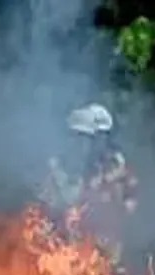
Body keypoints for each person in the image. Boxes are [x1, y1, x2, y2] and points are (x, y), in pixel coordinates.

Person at [37, 103, 139, 264]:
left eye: (87, 138)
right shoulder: (57, 166)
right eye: (77, 137)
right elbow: (46, 206)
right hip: (63, 248)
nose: (80, 144)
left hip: (101, 247)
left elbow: (126, 206)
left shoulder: (115, 167)